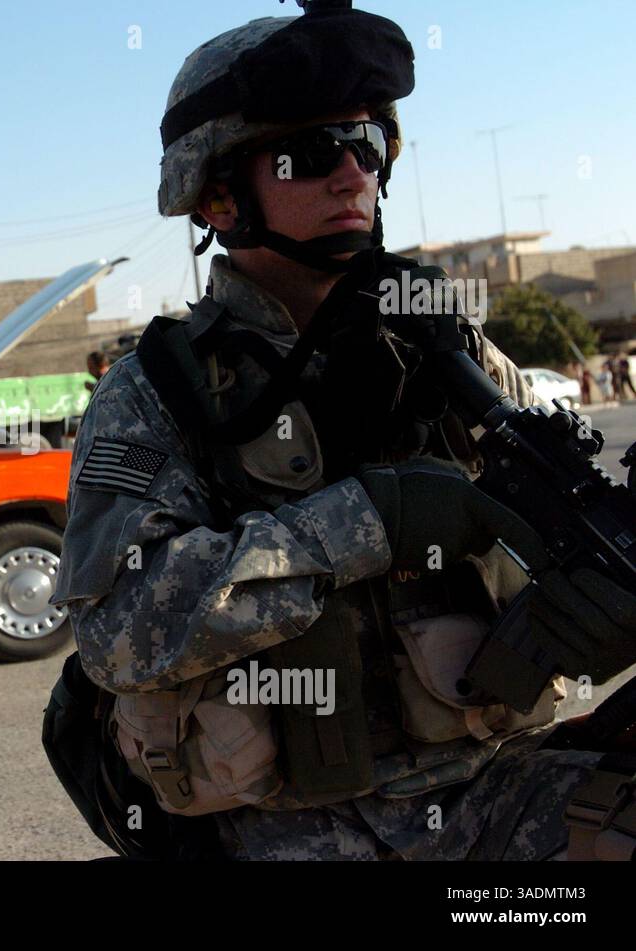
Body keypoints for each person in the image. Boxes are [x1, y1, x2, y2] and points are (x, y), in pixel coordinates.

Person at [45, 0, 636, 861]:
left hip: (488, 793)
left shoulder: (445, 347)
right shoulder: (154, 394)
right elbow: (118, 629)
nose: (353, 176)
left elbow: (565, 488)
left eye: (368, 147)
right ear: (217, 194)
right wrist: (367, 521)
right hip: (283, 832)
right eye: (313, 154)